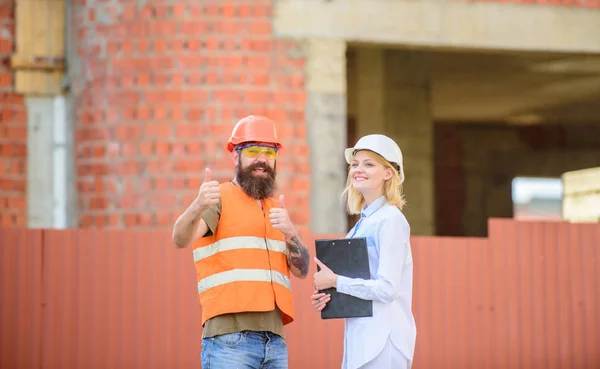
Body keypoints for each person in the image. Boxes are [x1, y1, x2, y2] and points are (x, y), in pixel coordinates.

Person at [172, 115, 311, 369]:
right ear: (235, 156)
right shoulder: (219, 198)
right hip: (230, 340)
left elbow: (302, 271)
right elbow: (179, 239)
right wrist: (198, 204)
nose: (262, 159)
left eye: (269, 152)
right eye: (253, 151)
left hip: (275, 342)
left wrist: (291, 232)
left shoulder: (276, 209)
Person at [311, 134, 417, 369]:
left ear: (389, 173)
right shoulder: (363, 224)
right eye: (355, 164)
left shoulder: (391, 220)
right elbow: (357, 280)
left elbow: (387, 289)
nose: (358, 169)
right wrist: (328, 295)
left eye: (369, 164)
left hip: (384, 343)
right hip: (361, 341)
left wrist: (336, 282)